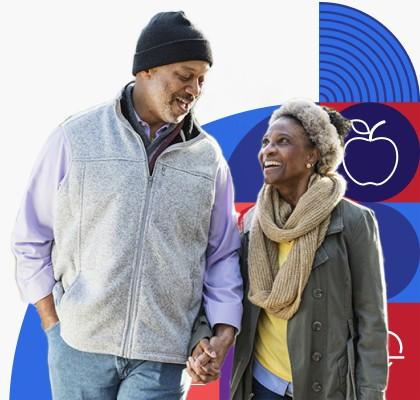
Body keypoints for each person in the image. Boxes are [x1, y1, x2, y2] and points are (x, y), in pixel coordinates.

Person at [11, 11, 243, 400]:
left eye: (202, 79)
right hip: (80, 349)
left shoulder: (209, 159)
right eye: (185, 76)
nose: (194, 89)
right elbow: (31, 236)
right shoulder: (76, 138)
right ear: (146, 69)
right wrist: (54, 324)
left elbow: (221, 255)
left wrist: (222, 332)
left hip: (163, 355)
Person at [189, 99, 388, 399]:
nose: (268, 149)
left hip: (325, 386)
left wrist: (371, 394)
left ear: (313, 155)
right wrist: (203, 338)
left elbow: (371, 320)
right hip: (262, 384)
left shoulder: (353, 221)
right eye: (266, 141)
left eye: (283, 141)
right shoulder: (253, 222)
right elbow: (223, 285)